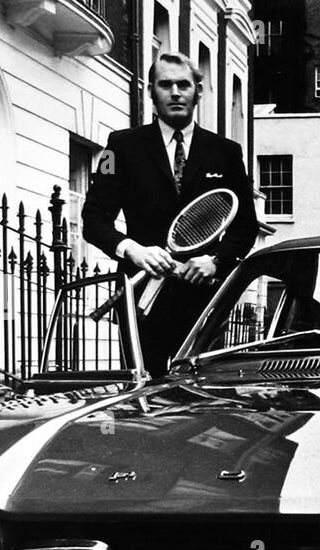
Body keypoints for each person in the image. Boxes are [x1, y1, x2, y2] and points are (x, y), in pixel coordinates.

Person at [83, 51, 258, 376]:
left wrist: (215, 261)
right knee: (141, 398)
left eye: (183, 85)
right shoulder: (118, 146)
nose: (175, 92)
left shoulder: (227, 153)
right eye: (165, 85)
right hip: (139, 301)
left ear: (198, 91)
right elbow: (93, 220)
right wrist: (133, 250)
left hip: (202, 299)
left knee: (200, 397)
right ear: (151, 92)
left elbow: (245, 228)